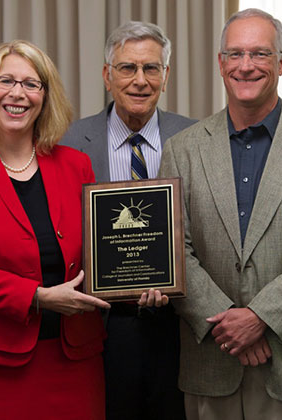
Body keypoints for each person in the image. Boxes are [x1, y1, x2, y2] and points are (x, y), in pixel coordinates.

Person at [158, 8, 282, 420]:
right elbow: (175, 247)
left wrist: (260, 318)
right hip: (210, 359)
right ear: (220, 63)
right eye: (235, 54)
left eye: (260, 54)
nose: (246, 66)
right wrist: (228, 326)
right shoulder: (182, 149)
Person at [0, 40, 111, 420]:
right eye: (6, 81)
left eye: (31, 84)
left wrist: (139, 282)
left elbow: (101, 252)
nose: (18, 93)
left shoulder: (76, 166)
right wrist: (38, 297)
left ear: (45, 97)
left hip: (73, 362)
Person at [61, 21, 195, 420]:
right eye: (126, 68)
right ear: (106, 75)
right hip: (97, 327)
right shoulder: (67, 141)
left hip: (177, 328)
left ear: (166, 76)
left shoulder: (195, 138)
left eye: (151, 68)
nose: (140, 80)